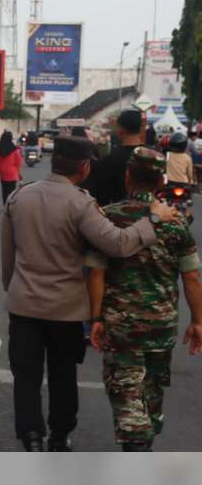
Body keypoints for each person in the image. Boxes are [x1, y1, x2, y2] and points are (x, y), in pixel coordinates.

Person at [1, 136, 176, 452]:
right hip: (66, 310)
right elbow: (118, 244)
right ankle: (59, 436)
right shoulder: (81, 204)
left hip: (24, 305)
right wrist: (152, 218)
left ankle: (31, 438)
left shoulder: (19, 197)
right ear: (83, 168)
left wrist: (13, 291)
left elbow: (7, 258)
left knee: (25, 377)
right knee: (63, 376)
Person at [86, 147, 202, 451]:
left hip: (121, 326)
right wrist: (198, 321)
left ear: (128, 178)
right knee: (149, 393)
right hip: (161, 328)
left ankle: (137, 452)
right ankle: (142, 444)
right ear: (161, 181)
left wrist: (96, 318)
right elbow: (191, 277)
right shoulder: (177, 223)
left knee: (126, 395)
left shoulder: (108, 219)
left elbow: (96, 273)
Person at [90, 110, 143, 206]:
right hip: (151, 215)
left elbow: (101, 197)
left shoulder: (110, 160)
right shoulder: (154, 157)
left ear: (120, 130)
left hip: (119, 215)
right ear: (140, 129)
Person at [0, 131, 22, 204]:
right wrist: (19, 174)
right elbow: (18, 163)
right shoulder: (15, 150)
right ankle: (9, 204)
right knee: (11, 191)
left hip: (3, 173)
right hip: (12, 173)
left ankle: (5, 204)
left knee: (4, 190)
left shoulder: (0, 150)